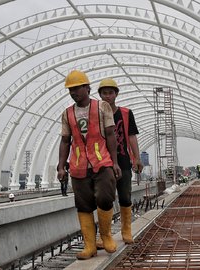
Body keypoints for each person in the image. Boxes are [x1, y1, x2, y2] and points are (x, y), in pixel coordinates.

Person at [57, 70, 121, 260]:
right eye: (70, 89)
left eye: (77, 88)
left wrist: (115, 162)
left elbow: (110, 135)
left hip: (102, 162)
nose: (73, 92)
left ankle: (106, 236)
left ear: (87, 87)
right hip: (78, 166)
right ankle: (90, 246)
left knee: (105, 197)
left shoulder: (102, 107)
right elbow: (65, 141)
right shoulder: (67, 113)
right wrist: (61, 166)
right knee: (83, 206)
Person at [98, 78, 143, 245]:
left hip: (123, 161)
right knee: (105, 199)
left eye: (110, 93)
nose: (107, 96)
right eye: (104, 93)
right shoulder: (97, 114)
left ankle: (126, 231)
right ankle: (105, 236)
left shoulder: (125, 113)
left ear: (116, 94)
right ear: (100, 95)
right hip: (104, 163)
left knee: (125, 197)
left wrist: (136, 158)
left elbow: (131, 136)